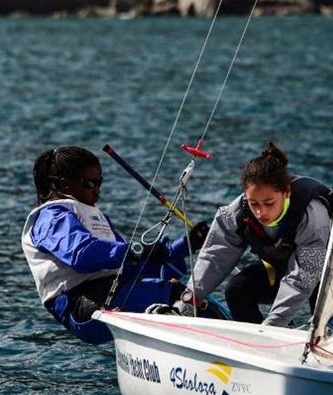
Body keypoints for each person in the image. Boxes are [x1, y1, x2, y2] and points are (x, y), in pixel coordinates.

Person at [21, 146, 208, 345]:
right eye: (90, 183)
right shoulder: (51, 217)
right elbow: (81, 254)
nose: (97, 189)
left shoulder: (95, 216)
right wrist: (134, 251)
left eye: (99, 182)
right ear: (64, 184)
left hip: (115, 292)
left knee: (198, 300)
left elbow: (135, 265)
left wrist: (187, 244)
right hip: (84, 305)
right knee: (174, 295)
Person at [176, 142, 333, 327]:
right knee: (237, 289)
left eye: (269, 203)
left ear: (286, 193)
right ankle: (252, 344)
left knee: (323, 313)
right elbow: (215, 256)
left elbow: (304, 276)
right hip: (281, 268)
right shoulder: (238, 212)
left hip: (325, 274)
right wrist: (188, 299)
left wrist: (273, 325)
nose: (260, 212)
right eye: (254, 204)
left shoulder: (312, 216)